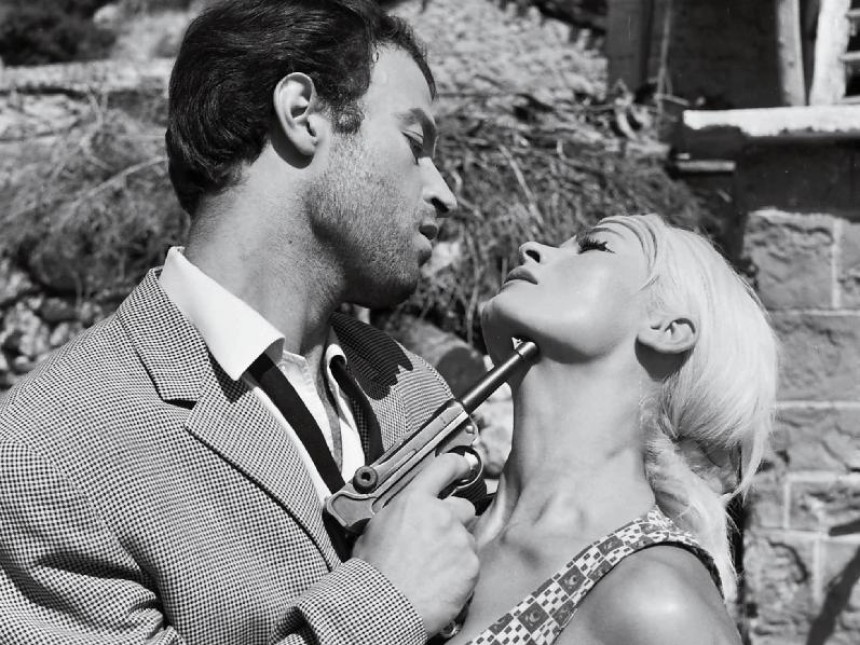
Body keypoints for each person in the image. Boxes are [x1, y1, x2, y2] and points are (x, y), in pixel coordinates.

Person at [0, 1, 480, 644]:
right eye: (415, 144)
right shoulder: (51, 447)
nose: (445, 192)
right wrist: (384, 609)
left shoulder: (415, 390)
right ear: (302, 114)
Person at [442, 214, 778, 645]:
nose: (532, 249)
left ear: (667, 330)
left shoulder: (659, 603)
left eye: (593, 247)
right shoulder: (429, 529)